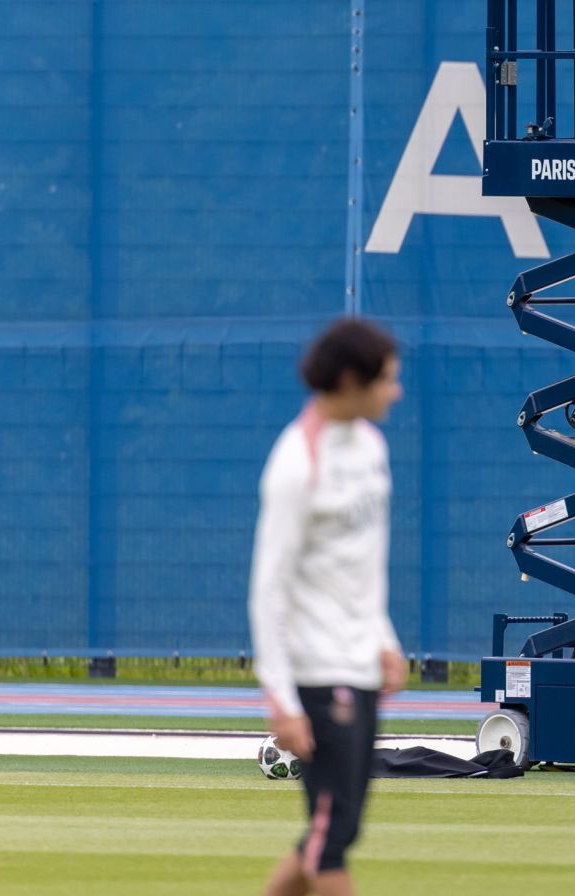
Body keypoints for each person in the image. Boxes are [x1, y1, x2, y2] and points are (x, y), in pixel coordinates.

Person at [250, 318, 407, 895]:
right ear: (348, 379)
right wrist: (281, 699)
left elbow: (360, 564)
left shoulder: (370, 445)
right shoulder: (296, 462)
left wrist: (383, 637)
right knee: (331, 837)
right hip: (317, 672)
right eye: (386, 379)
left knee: (336, 828)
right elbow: (269, 586)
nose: (396, 391)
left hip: (359, 662)